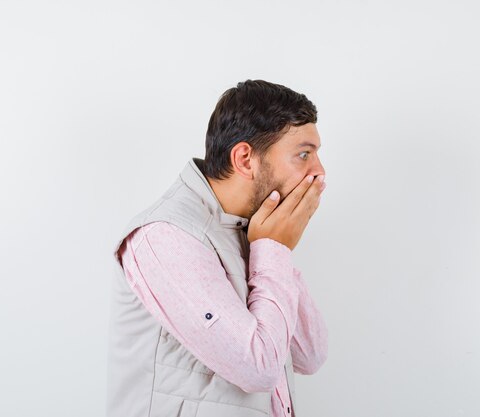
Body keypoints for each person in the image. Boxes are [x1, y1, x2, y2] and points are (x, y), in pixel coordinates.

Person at [107, 79, 328, 417]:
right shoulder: (166, 236)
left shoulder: (254, 233)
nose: (319, 172)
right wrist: (273, 247)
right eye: (303, 154)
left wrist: (275, 251)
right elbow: (259, 368)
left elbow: (308, 354)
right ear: (244, 159)